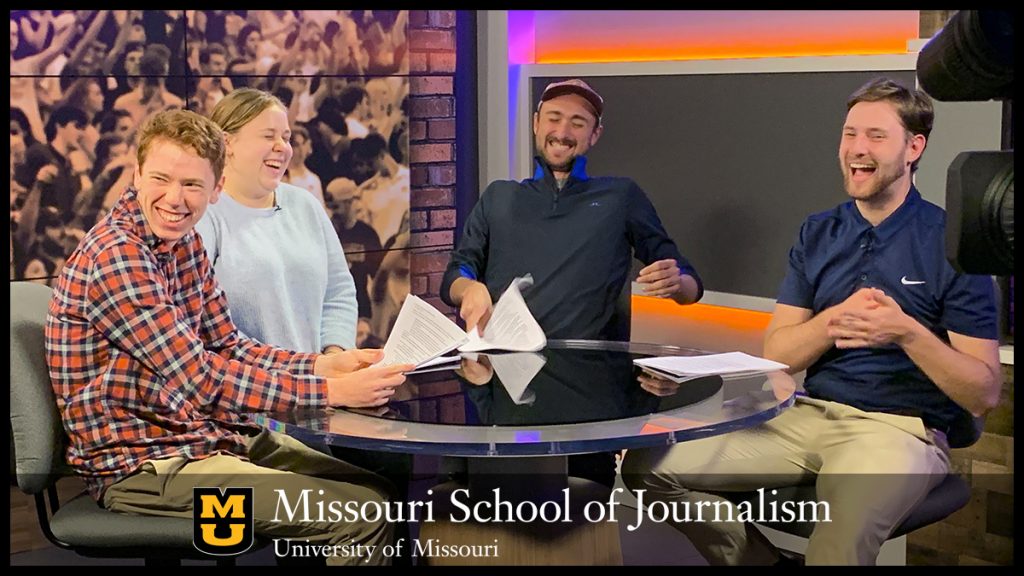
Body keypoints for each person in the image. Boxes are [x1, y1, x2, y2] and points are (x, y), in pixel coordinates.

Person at [622, 77, 1002, 566]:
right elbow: (776, 354)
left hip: (898, 431)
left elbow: (984, 393)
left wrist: (906, 331)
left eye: (876, 136)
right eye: (849, 134)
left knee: (836, 547)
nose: (856, 149)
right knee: (646, 468)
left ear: (914, 147)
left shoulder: (952, 242)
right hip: (807, 415)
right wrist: (831, 322)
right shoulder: (819, 231)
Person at [44, 109, 414, 565]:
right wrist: (332, 391)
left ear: (216, 189)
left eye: (193, 185)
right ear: (136, 174)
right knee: (358, 513)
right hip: (143, 465)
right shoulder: (118, 257)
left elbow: (228, 345)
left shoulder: (181, 245)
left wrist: (322, 364)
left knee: (376, 486)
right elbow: (201, 379)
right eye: (161, 178)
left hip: (197, 438)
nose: (174, 198)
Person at [441, 78, 703, 342]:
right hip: (503, 368)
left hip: (593, 371)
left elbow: (690, 283)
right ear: (536, 124)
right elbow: (456, 273)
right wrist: (469, 288)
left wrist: (676, 283)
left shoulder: (621, 197)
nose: (563, 132)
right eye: (553, 118)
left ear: (594, 135)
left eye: (577, 123)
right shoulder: (498, 196)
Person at [196, 88, 358, 354]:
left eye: (286, 137)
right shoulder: (205, 214)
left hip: (319, 388)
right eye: (268, 136)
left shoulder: (305, 205)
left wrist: (334, 356)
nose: (282, 148)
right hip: (247, 389)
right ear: (227, 143)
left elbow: (338, 291)